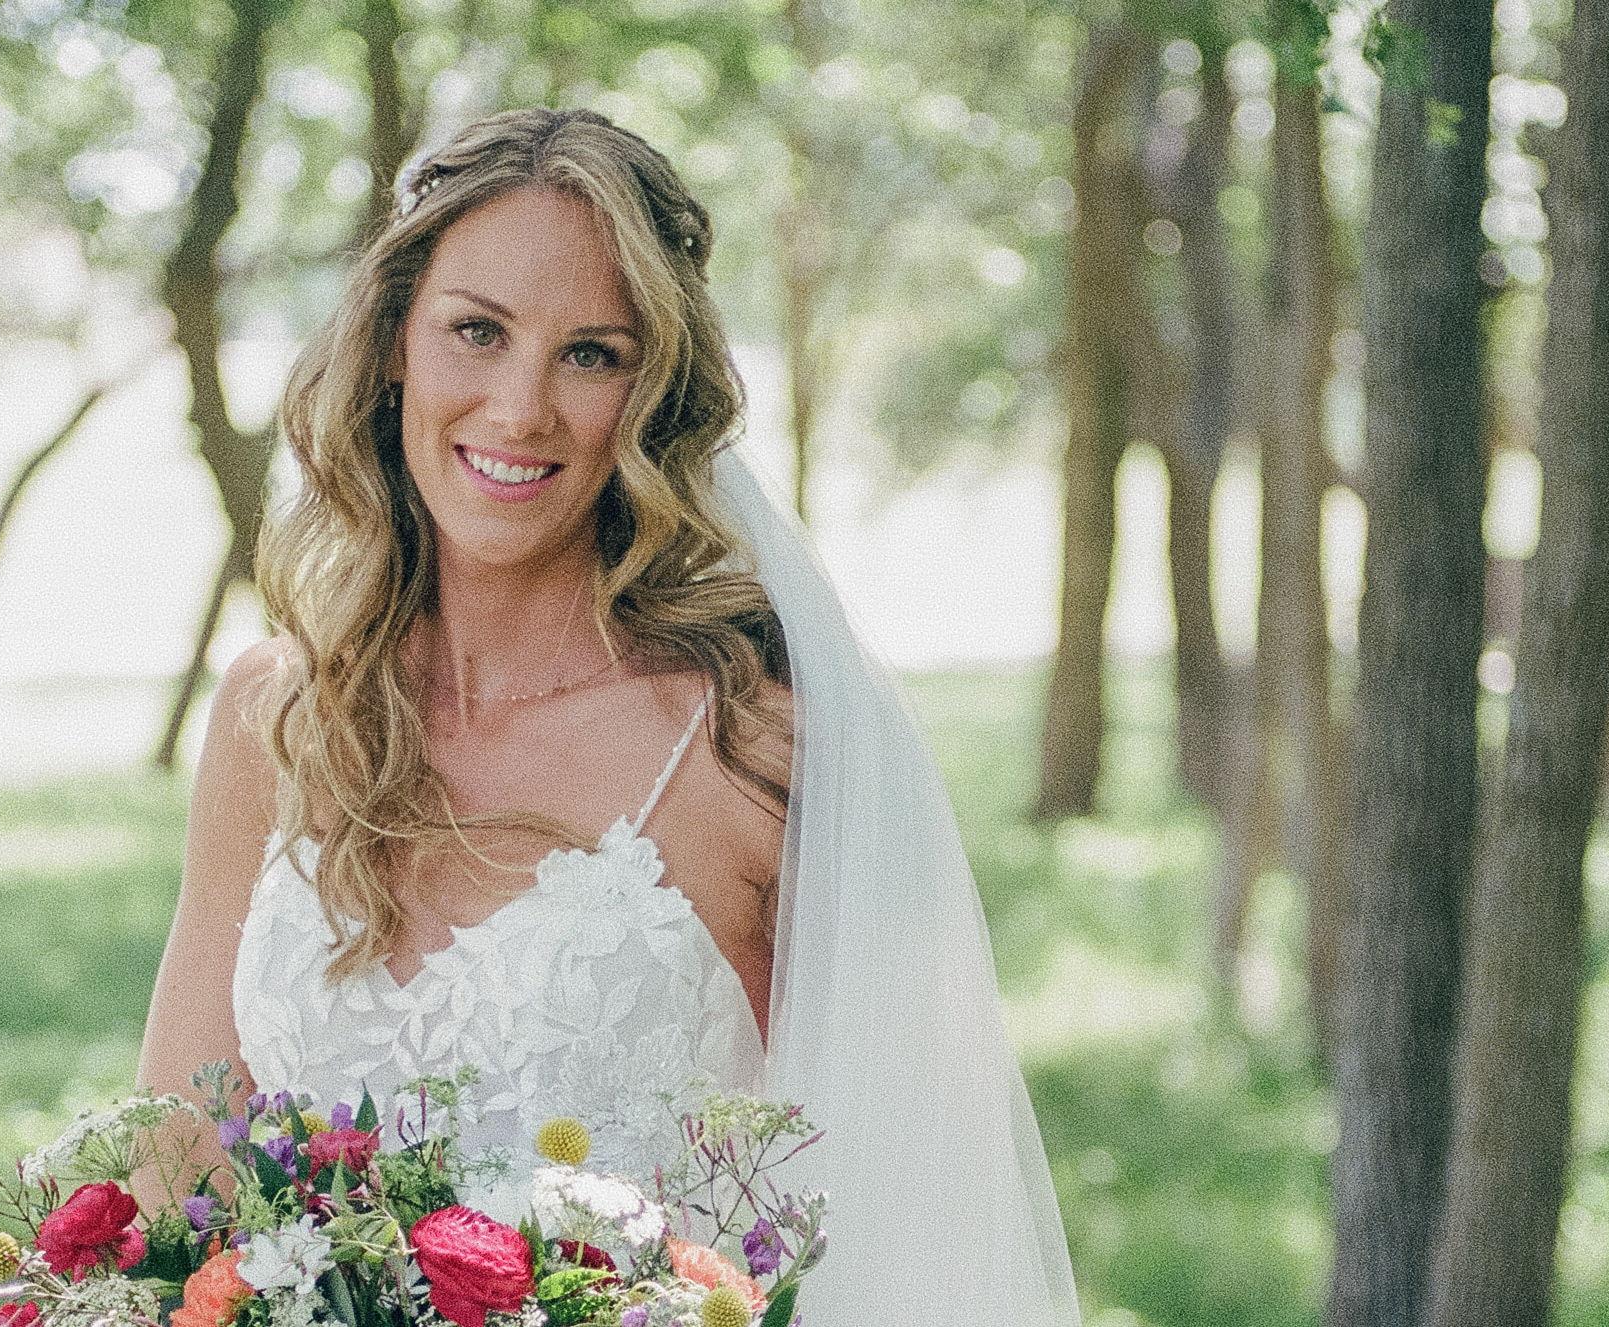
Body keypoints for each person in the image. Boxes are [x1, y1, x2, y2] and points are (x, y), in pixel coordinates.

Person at [136, 107, 1079, 1326]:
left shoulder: (753, 752)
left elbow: (908, 1227)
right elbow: (174, 1174)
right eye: (477, 331)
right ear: (393, 343)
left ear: (653, 394)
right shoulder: (275, 716)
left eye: (590, 354)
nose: (519, 408)